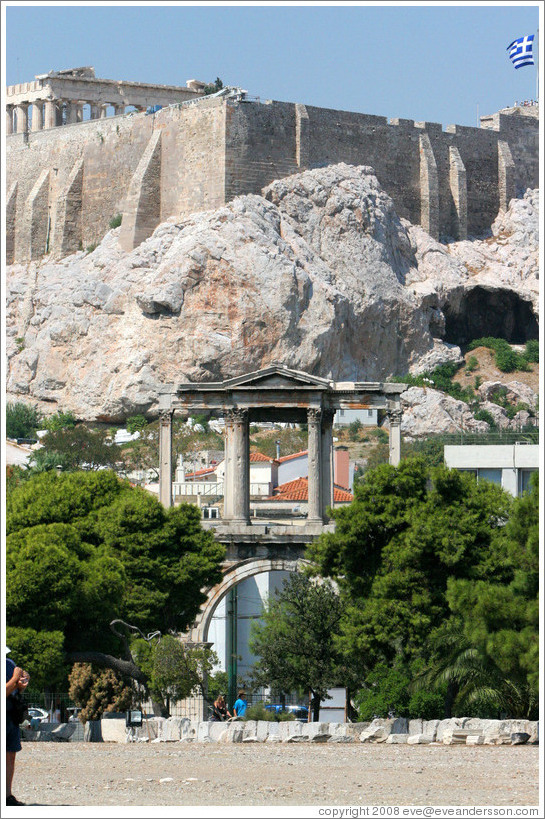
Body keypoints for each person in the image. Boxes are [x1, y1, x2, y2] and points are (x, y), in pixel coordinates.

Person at [5, 646, 30, 807]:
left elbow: (16, 689)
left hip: (11, 715)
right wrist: (15, 678)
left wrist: (22, 683)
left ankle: (7, 795)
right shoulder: (12, 668)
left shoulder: (9, 664)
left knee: (10, 755)